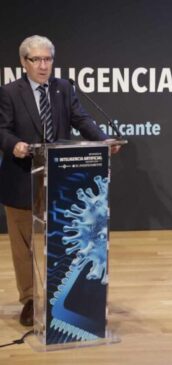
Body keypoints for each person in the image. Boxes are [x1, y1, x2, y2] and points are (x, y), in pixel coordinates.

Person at [0, 35, 120, 326]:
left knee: (64, 239)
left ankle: (62, 293)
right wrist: (13, 144)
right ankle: (29, 299)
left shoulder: (63, 88)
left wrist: (102, 141)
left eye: (48, 59)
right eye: (36, 60)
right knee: (24, 244)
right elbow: (1, 129)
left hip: (61, 177)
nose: (43, 65)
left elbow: (81, 120)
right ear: (23, 62)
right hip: (21, 176)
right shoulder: (9, 92)